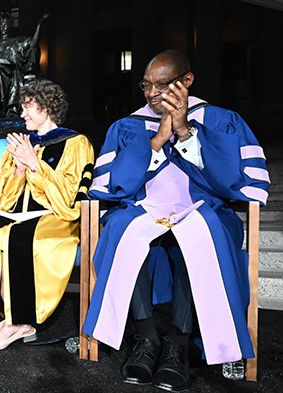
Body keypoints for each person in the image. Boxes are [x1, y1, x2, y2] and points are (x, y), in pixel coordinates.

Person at [82, 50, 270, 391]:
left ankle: (179, 347)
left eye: (162, 84)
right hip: (143, 210)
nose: (153, 93)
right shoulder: (128, 126)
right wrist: (155, 141)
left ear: (186, 81)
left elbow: (239, 183)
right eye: (146, 85)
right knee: (121, 229)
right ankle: (148, 339)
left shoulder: (220, 120)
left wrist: (184, 132)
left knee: (199, 234)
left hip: (203, 207)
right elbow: (112, 186)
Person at [0, 79, 95, 350]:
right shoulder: (21, 143)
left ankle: (20, 322)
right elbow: (2, 194)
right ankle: (9, 315)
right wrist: (19, 170)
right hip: (14, 214)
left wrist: (35, 164)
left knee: (17, 241)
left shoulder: (76, 143)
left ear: (47, 108)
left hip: (54, 216)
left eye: (28, 107)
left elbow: (69, 194)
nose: (22, 114)